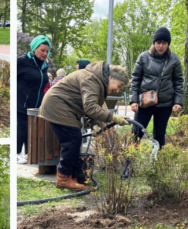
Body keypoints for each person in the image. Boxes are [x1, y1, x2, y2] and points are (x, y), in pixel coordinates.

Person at [39, 61, 130, 190]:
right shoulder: (92, 79)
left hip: (64, 106)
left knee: (75, 140)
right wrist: (113, 117)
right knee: (72, 140)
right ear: (110, 78)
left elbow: (89, 106)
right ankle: (63, 179)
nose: (117, 90)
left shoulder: (98, 82)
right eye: (118, 85)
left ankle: (73, 177)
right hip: (58, 105)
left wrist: (94, 124)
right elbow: (90, 107)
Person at [129, 27, 184, 149]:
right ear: (154, 43)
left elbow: (179, 82)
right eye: (158, 42)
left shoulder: (174, 59)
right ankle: (129, 163)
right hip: (144, 102)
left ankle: (157, 164)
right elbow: (135, 79)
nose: (161, 46)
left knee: (159, 135)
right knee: (136, 133)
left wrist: (178, 101)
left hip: (165, 104)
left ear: (168, 44)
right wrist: (133, 100)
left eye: (164, 43)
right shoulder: (143, 57)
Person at [17, 35, 51, 164]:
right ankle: (15, 153)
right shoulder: (22, 61)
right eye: (42, 50)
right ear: (34, 48)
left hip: (36, 104)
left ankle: (26, 154)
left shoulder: (44, 65)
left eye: (47, 51)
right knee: (22, 127)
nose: (44, 53)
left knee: (30, 129)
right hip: (21, 103)